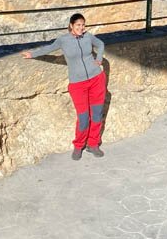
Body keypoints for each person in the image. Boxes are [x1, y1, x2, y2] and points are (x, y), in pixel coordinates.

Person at [21, 13, 107, 160]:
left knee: (97, 114)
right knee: (84, 118)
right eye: (78, 25)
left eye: (83, 25)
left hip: (96, 79)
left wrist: (98, 59)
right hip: (77, 84)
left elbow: (100, 44)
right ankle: (79, 146)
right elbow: (48, 49)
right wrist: (32, 54)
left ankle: (93, 144)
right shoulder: (63, 40)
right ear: (71, 26)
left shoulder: (88, 36)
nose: (81, 28)